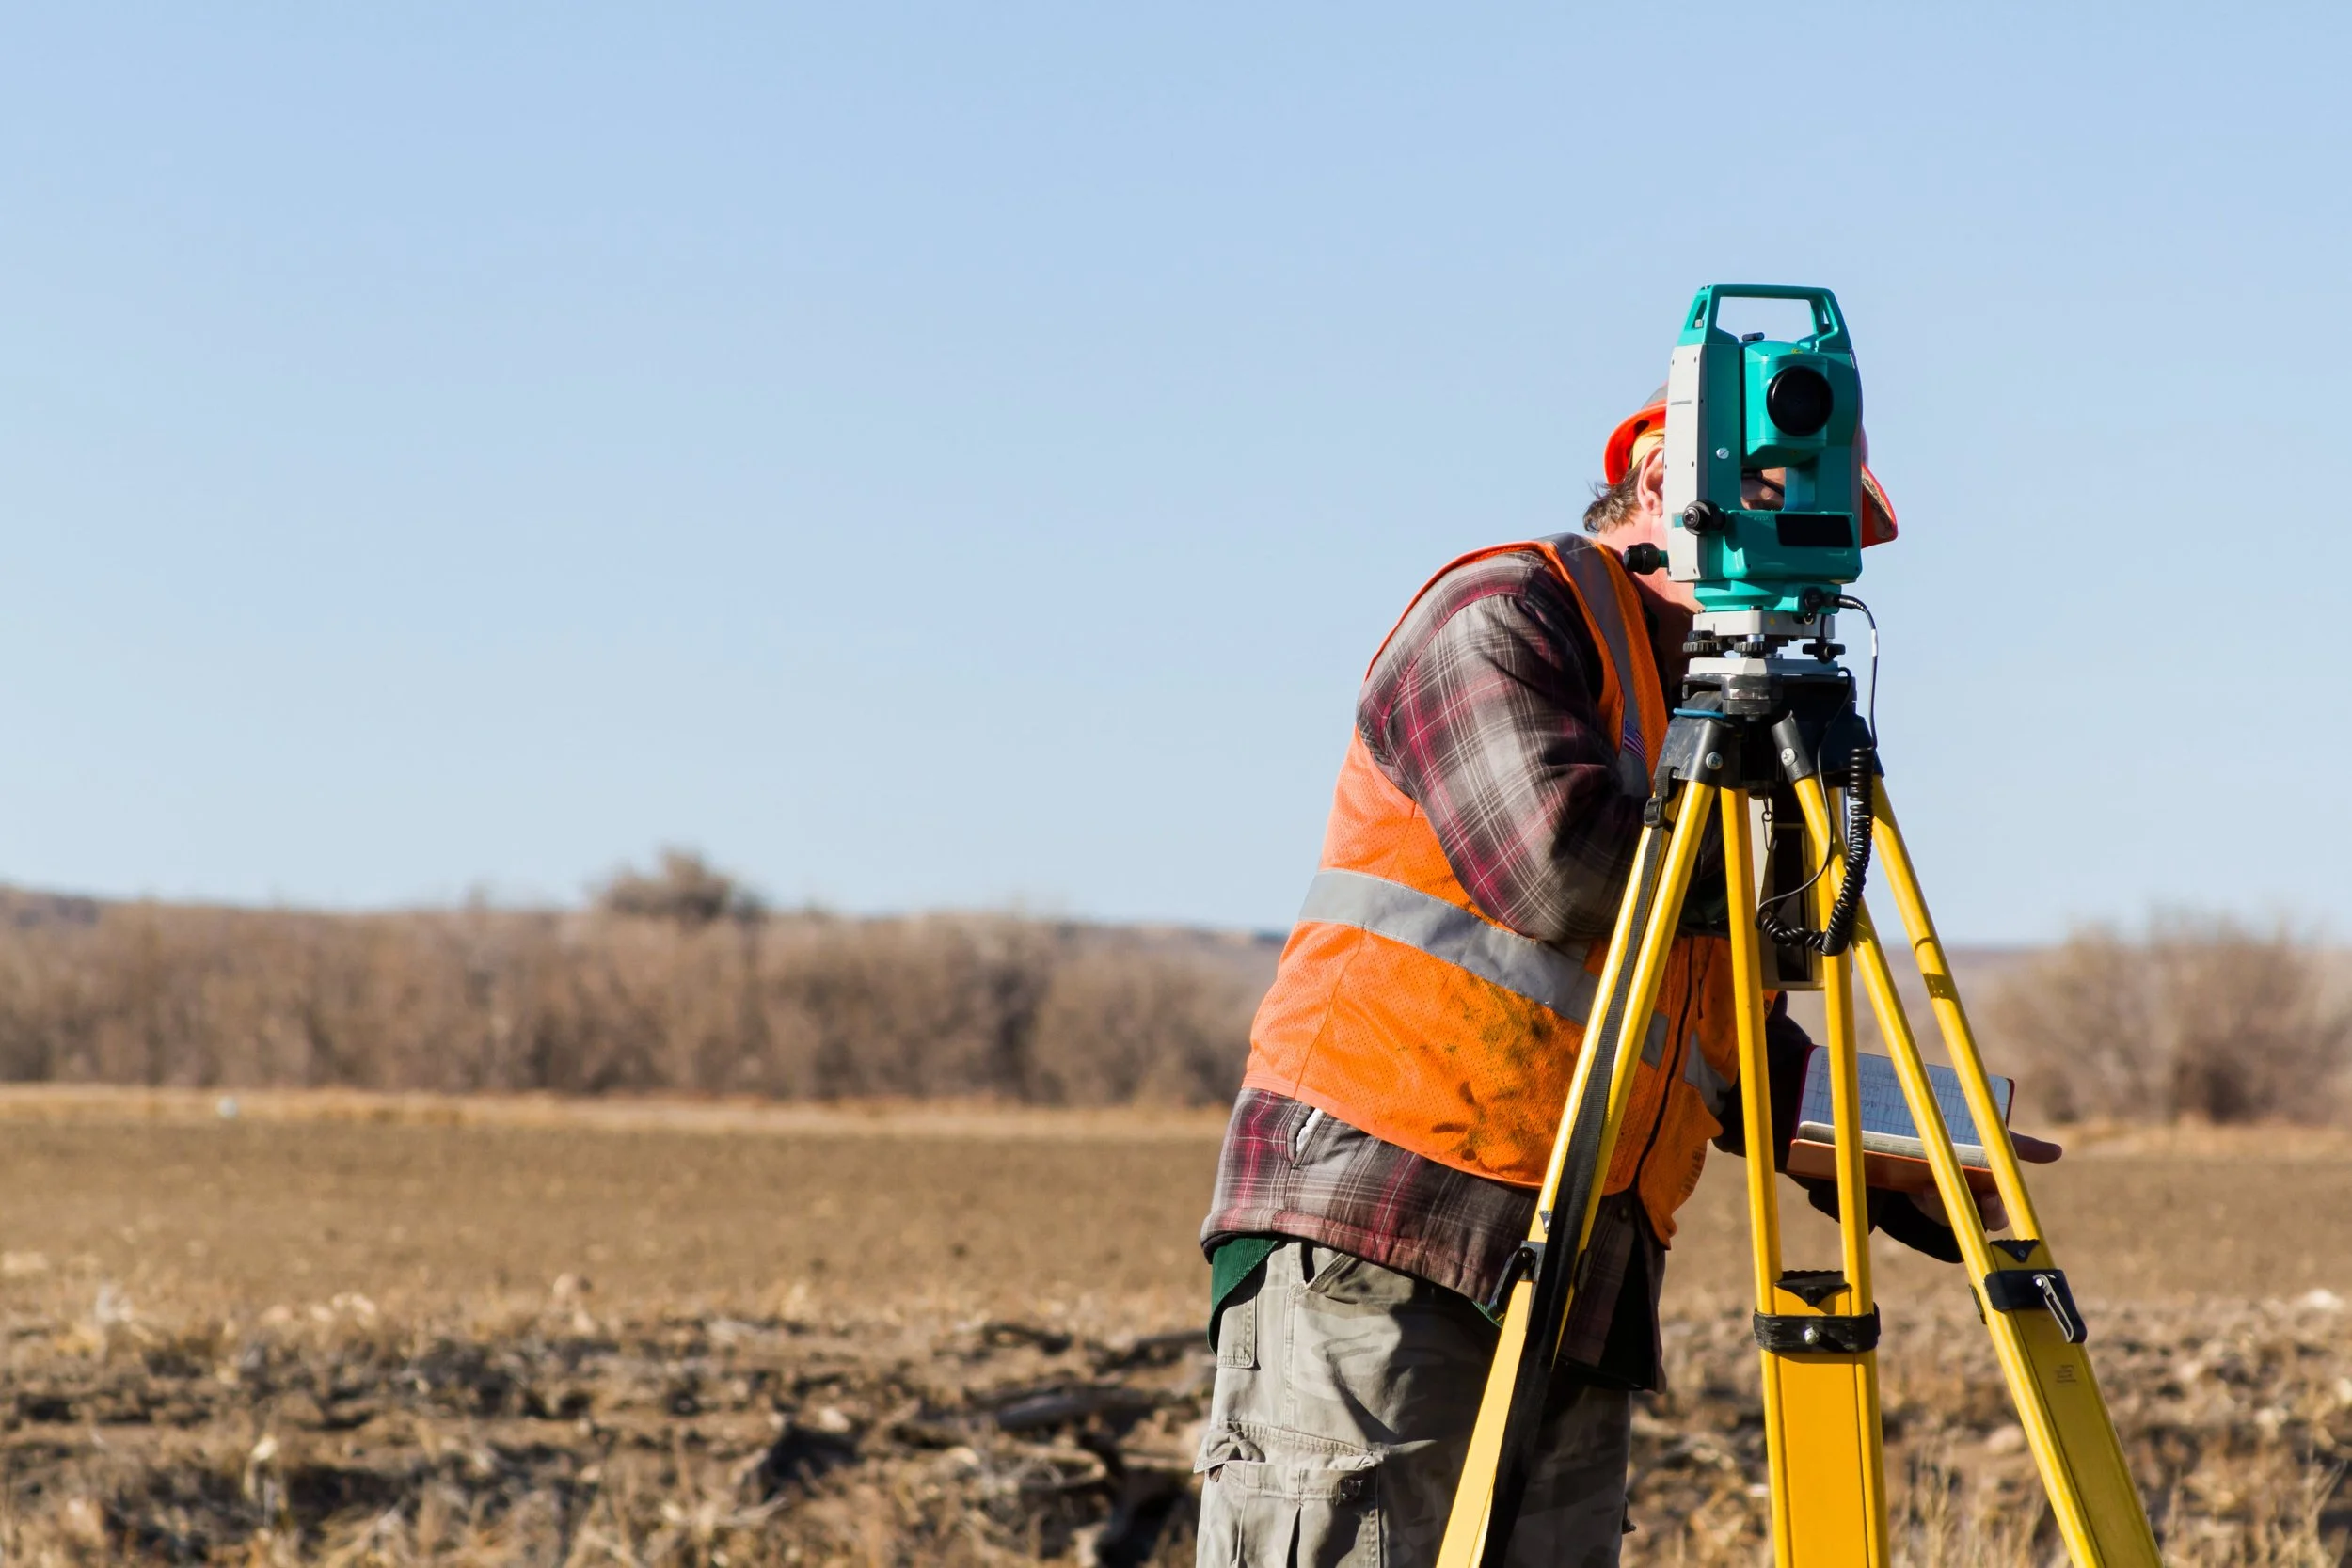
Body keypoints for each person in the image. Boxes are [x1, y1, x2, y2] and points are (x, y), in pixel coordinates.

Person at [1190, 388, 2052, 1566]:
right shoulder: (1504, 612)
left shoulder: (1687, 699)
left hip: (1581, 1267)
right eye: (1773, 509)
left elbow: (1701, 1024)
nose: (1801, 565)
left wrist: (1886, 1152)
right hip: (1389, 1225)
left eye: (1824, 533)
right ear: (1661, 484)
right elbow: (1562, 878)